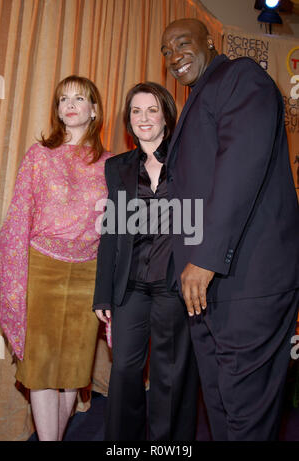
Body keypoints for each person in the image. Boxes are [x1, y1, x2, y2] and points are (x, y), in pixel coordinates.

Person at [160, 18, 299, 441]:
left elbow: (241, 165)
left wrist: (203, 257)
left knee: (245, 414)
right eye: (166, 52)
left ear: (210, 40)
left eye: (182, 43)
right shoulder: (199, 98)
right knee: (220, 405)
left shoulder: (240, 76)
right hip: (207, 288)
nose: (173, 56)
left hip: (246, 279)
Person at [0, 75, 112, 441]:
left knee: (72, 373)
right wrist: (14, 277)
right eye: (63, 99)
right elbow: (19, 214)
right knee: (42, 369)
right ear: (58, 110)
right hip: (43, 269)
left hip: (88, 275)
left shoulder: (111, 164)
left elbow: (117, 227)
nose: (70, 105)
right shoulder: (39, 155)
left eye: (79, 98)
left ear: (94, 110)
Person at [93, 82, 199, 441]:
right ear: (128, 120)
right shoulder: (117, 168)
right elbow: (110, 233)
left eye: (152, 109)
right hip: (130, 287)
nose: (144, 118)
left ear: (166, 115)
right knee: (123, 371)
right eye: (136, 111)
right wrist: (102, 295)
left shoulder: (190, 161)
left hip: (173, 285)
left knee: (170, 375)